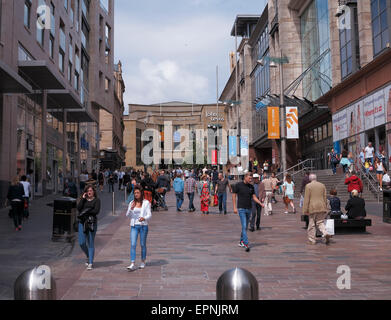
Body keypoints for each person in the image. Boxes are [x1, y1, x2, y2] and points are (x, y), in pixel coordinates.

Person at [232, 172, 264, 252]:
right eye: (249, 178)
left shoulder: (251, 186)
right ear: (245, 177)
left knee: (245, 227)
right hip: (241, 208)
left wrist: (260, 203)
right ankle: (246, 243)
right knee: (244, 225)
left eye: (251, 178)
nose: (251, 180)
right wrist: (234, 207)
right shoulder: (238, 185)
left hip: (249, 208)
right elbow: (234, 195)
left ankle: (241, 241)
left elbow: (253, 197)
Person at [125, 185, 152, 271]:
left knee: (142, 244)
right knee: (133, 244)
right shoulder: (132, 202)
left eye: (137, 193)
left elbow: (149, 214)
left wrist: (144, 218)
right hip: (134, 226)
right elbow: (127, 215)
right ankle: (132, 263)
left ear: (141, 193)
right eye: (135, 193)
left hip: (143, 226)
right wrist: (131, 209)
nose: (136, 194)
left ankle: (143, 261)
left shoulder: (146, 202)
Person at [303, 174, 332, 245]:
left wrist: (305, 209)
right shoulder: (322, 185)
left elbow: (307, 198)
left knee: (312, 224)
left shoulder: (308, 186)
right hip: (321, 206)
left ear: (310, 179)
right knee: (320, 222)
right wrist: (325, 206)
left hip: (312, 206)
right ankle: (325, 233)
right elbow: (325, 197)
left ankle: (312, 240)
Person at [77, 185, 101, 270]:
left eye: (91, 190)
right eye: (88, 191)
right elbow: (79, 208)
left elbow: (96, 211)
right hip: (82, 223)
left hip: (91, 223)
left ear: (94, 191)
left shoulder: (97, 200)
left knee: (90, 242)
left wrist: (86, 211)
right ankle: (88, 254)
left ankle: (90, 262)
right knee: (81, 242)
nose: (89, 192)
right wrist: (83, 199)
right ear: (85, 192)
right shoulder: (83, 200)